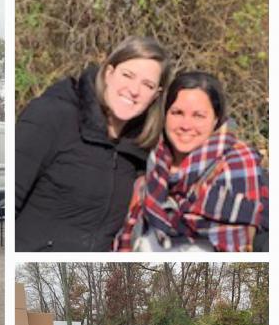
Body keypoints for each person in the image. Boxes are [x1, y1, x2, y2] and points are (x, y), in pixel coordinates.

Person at [15, 36, 172, 251]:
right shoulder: (53, 116)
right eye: (128, 75)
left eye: (147, 85)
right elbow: (11, 198)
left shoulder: (141, 151)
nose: (134, 90)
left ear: (156, 96)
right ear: (109, 73)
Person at [115, 72, 269, 251]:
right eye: (177, 113)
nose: (186, 125)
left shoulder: (239, 165)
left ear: (215, 120)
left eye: (198, 116)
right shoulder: (146, 166)